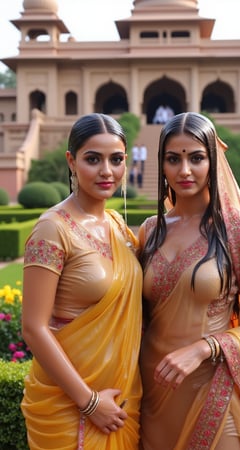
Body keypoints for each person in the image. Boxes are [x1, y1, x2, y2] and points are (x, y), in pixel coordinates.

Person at [138, 112, 240, 450]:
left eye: (197, 158)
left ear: (213, 160)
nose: (184, 171)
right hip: (153, 393)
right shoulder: (150, 231)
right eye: (173, 159)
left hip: (213, 388)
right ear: (161, 164)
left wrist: (205, 348)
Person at [21, 113, 143, 449]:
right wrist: (89, 402)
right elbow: (33, 327)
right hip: (69, 405)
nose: (107, 171)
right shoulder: (52, 229)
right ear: (72, 162)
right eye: (93, 159)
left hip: (122, 399)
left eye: (116, 159)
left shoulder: (118, 226)